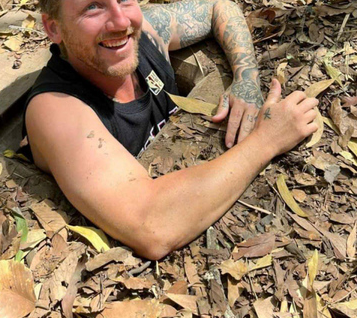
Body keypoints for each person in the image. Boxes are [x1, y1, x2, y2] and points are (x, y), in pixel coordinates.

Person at [24, 0, 319, 260]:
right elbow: (152, 226)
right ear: (54, 28)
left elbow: (219, 6)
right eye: (92, 7)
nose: (122, 22)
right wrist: (267, 139)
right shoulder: (56, 110)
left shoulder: (145, 34)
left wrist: (247, 79)